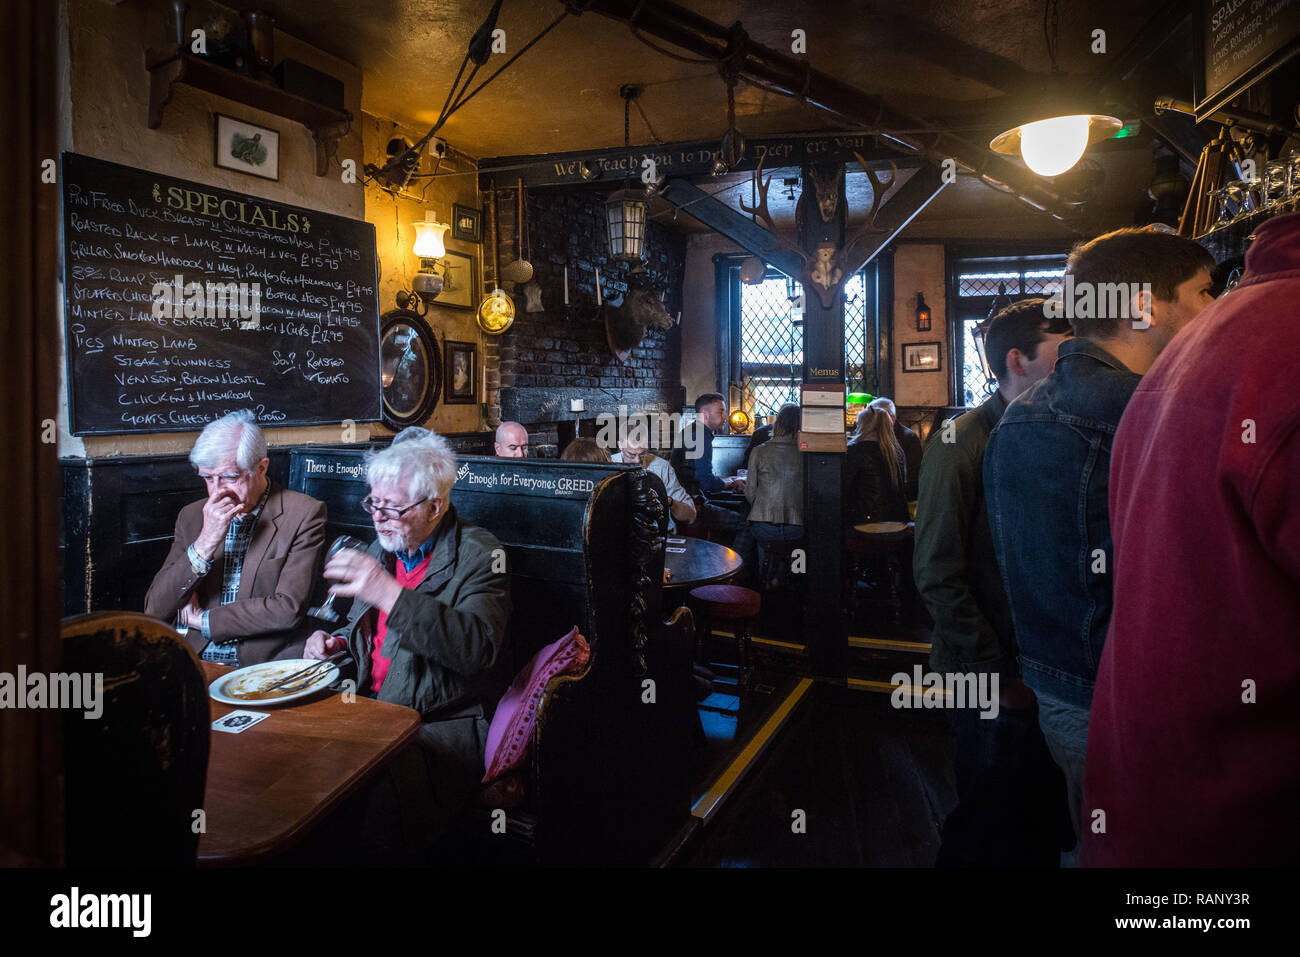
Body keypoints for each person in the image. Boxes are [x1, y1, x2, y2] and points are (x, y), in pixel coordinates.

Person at [983, 227, 1215, 864]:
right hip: (1135, 699)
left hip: (1058, 689)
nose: (1214, 309)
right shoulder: (1154, 408)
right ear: (1144, 304)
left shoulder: (1019, 416)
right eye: (1203, 291)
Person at [1084, 213, 1300, 867]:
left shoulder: (1170, 370)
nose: (1216, 302)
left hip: (1138, 781)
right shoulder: (1270, 353)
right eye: (1206, 289)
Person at [912, 298, 1072, 867]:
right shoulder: (960, 442)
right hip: (987, 671)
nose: (1076, 360)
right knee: (986, 818)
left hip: (1044, 668)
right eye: (1064, 349)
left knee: (1037, 818)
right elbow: (936, 570)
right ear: (1017, 360)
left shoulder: (1054, 429)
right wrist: (994, 673)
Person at [304, 431, 510, 859]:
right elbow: (372, 632)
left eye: (393, 508)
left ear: (435, 506)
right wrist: (337, 643)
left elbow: (477, 650)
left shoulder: (481, 554)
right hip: (366, 711)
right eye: (374, 504)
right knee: (299, 769)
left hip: (434, 725)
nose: (379, 518)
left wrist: (388, 592)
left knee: (372, 798)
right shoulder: (388, 548)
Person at [144, 410, 326, 666]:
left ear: (261, 467)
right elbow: (155, 608)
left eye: (229, 477)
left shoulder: (303, 514)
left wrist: (203, 620)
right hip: (195, 660)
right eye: (208, 477)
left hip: (262, 664)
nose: (217, 491)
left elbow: (287, 609)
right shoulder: (193, 515)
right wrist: (204, 543)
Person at [669, 393, 749, 545]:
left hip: (684, 502)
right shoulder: (701, 436)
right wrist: (731, 483)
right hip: (693, 507)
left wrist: (727, 480)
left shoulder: (691, 430)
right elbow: (706, 483)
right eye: (721, 411)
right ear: (705, 414)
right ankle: (737, 568)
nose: (726, 416)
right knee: (745, 524)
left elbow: (697, 474)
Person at [744, 404, 804, 585]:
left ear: (778, 424)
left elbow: (750, 492)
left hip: (765, 526)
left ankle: (768, 582)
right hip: (798, 527)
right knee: (798, 561)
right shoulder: (807, 452)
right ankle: (791, 580)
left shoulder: (759, 450)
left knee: (766, 554)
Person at [611, 418, 697, 532]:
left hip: (658, 535)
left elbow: (690, 516)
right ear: (620, 445)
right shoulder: (608, 464)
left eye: (642, 454)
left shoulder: (662, 468)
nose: (637, 461)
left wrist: (669, 502)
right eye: (631, 455)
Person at [843, 407, 909, 526]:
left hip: (866, 523)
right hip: (897, 521)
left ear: (865, 425)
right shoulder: (896, 452)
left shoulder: (856, 451)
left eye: (858, 423)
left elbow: (844, 489)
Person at [868, 397, 922, 500]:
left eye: (874, 416)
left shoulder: (907, 437)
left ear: (890, 416)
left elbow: (912, 475)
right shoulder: (873, 434)